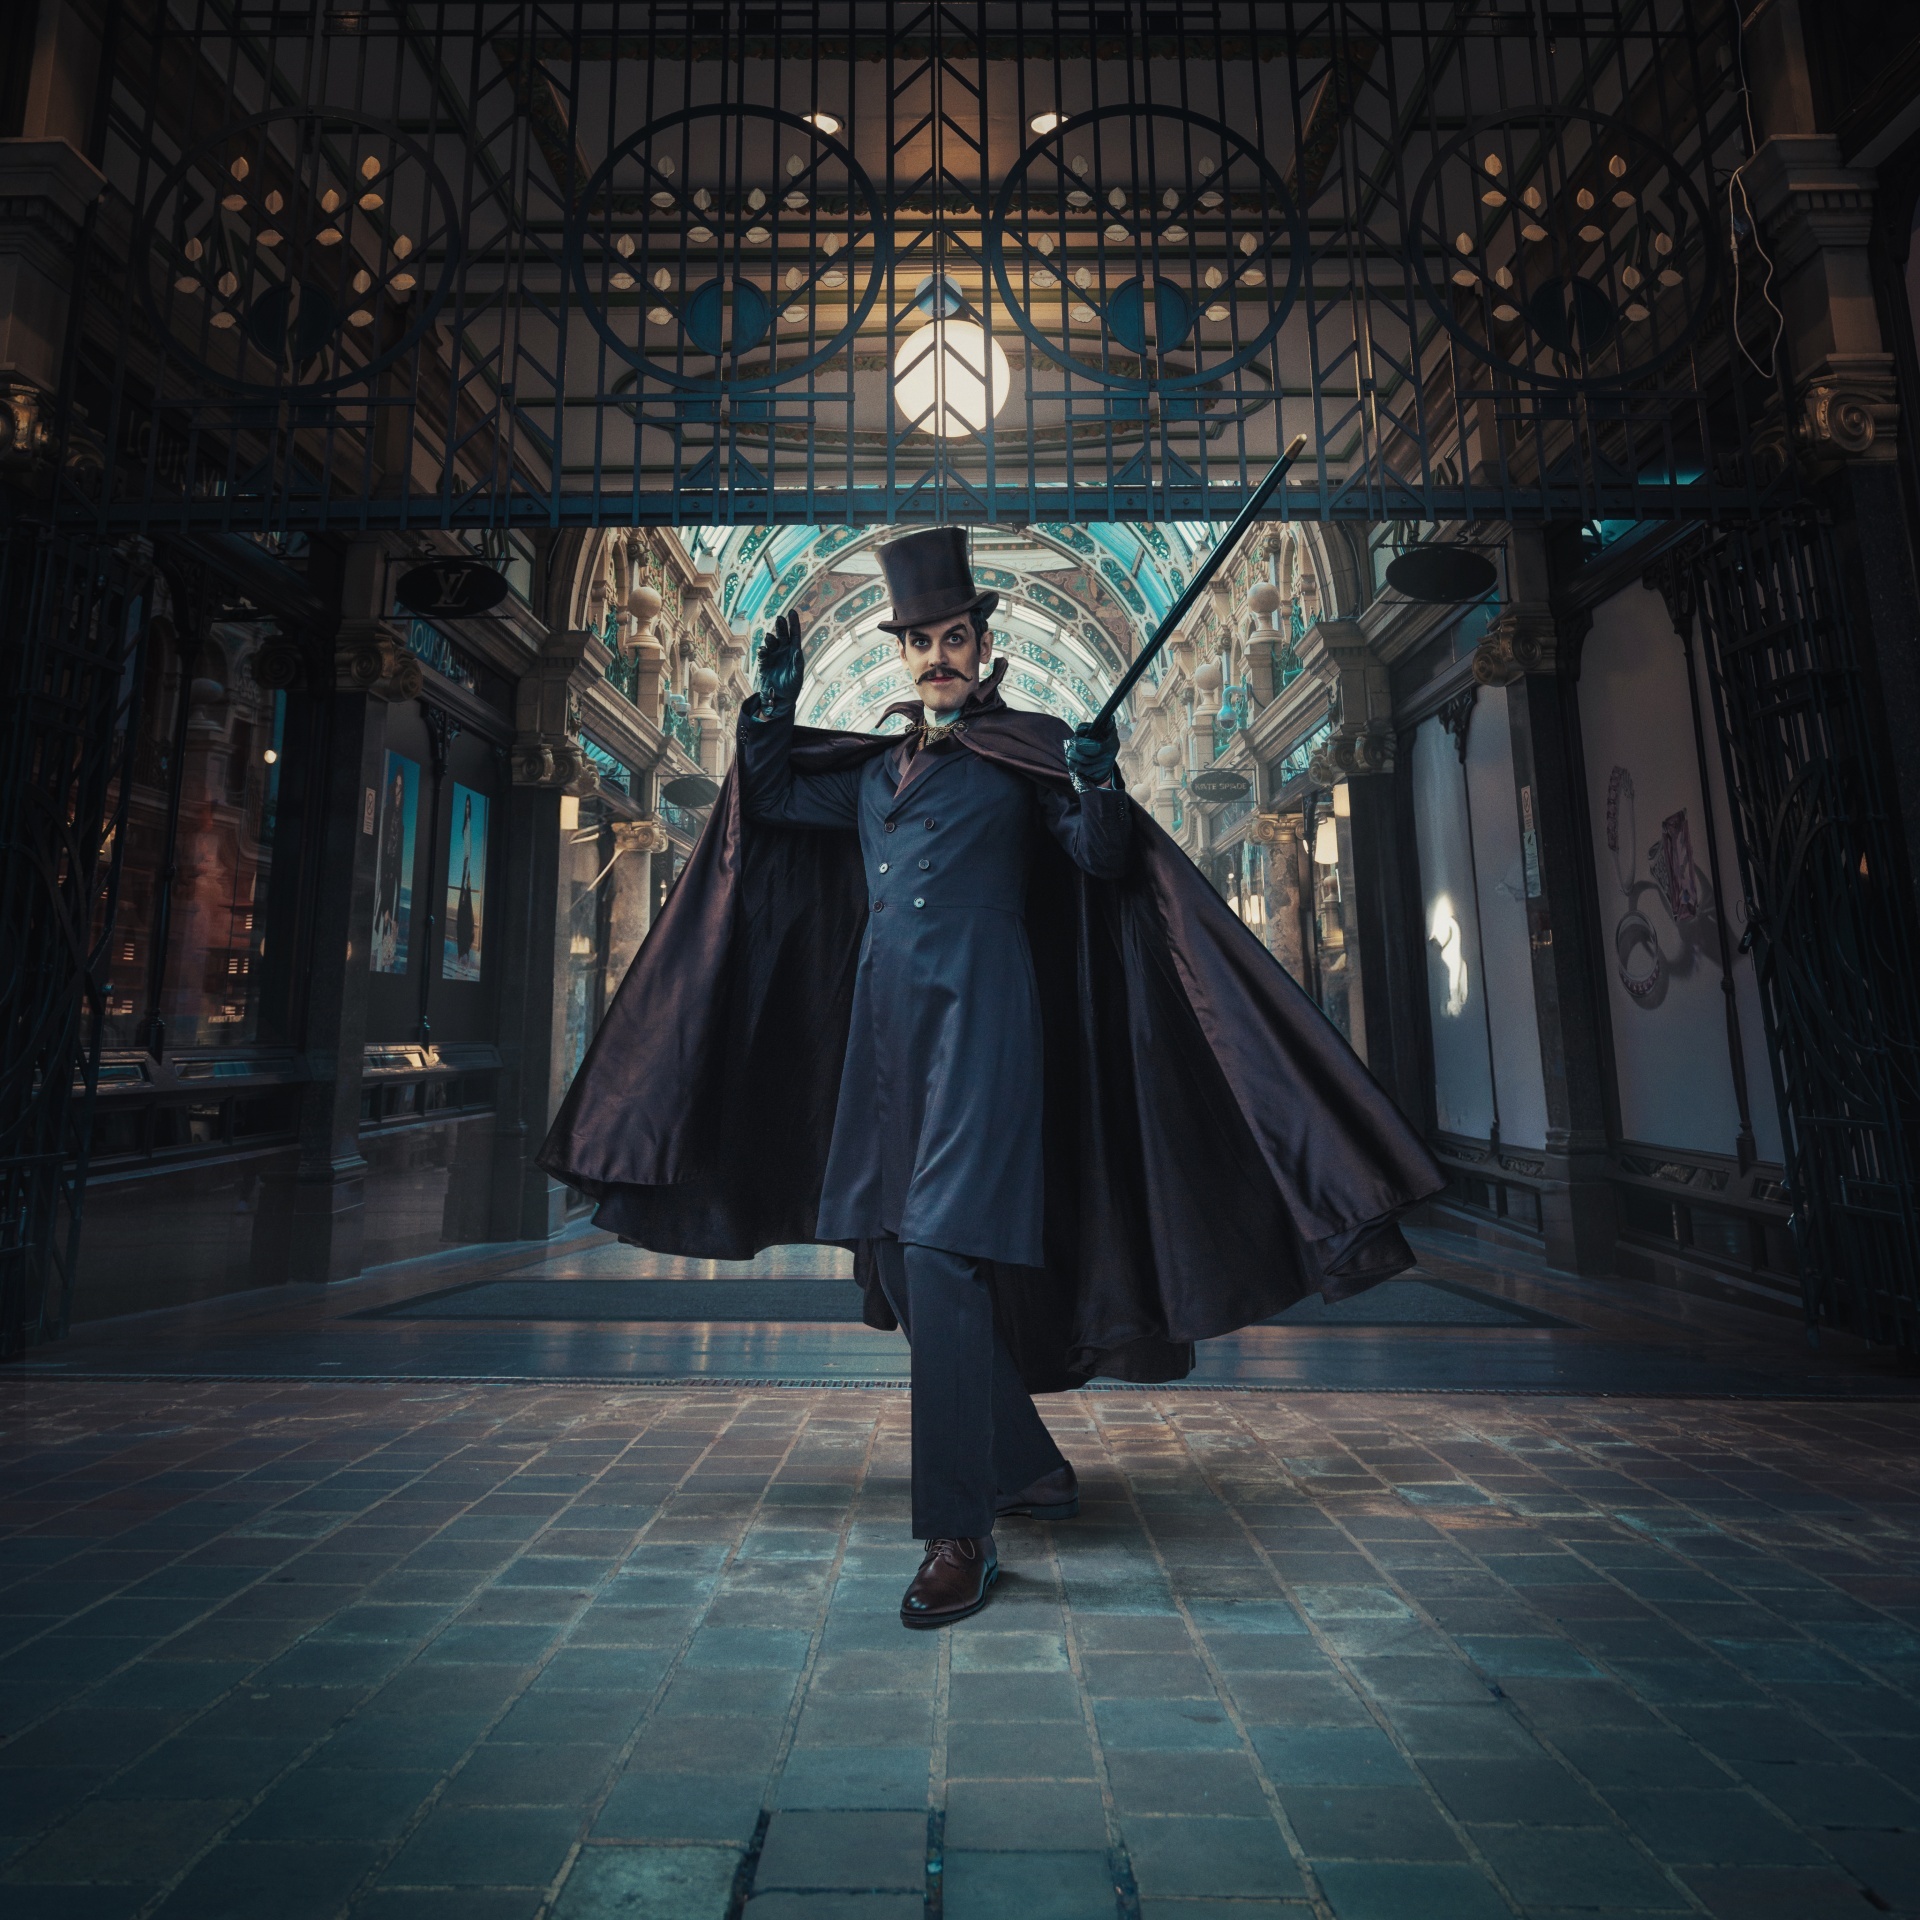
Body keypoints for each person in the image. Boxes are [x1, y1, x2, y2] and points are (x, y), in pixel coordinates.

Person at [542, 526, 1443, 1631]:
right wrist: (767, 712)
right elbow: (767, 803)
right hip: (883, 1044)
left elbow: (1103, 858)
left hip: (988, 1034)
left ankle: (958, 1535)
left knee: (938, 1248)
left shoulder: (1032, 752)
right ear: (902, 654)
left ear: (982, 645)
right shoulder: (870, 774)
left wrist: (1097, 783)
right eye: (919, 641)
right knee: (893, 1249)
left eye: (953, 638)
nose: (938, 657)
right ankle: (1026, 1463)